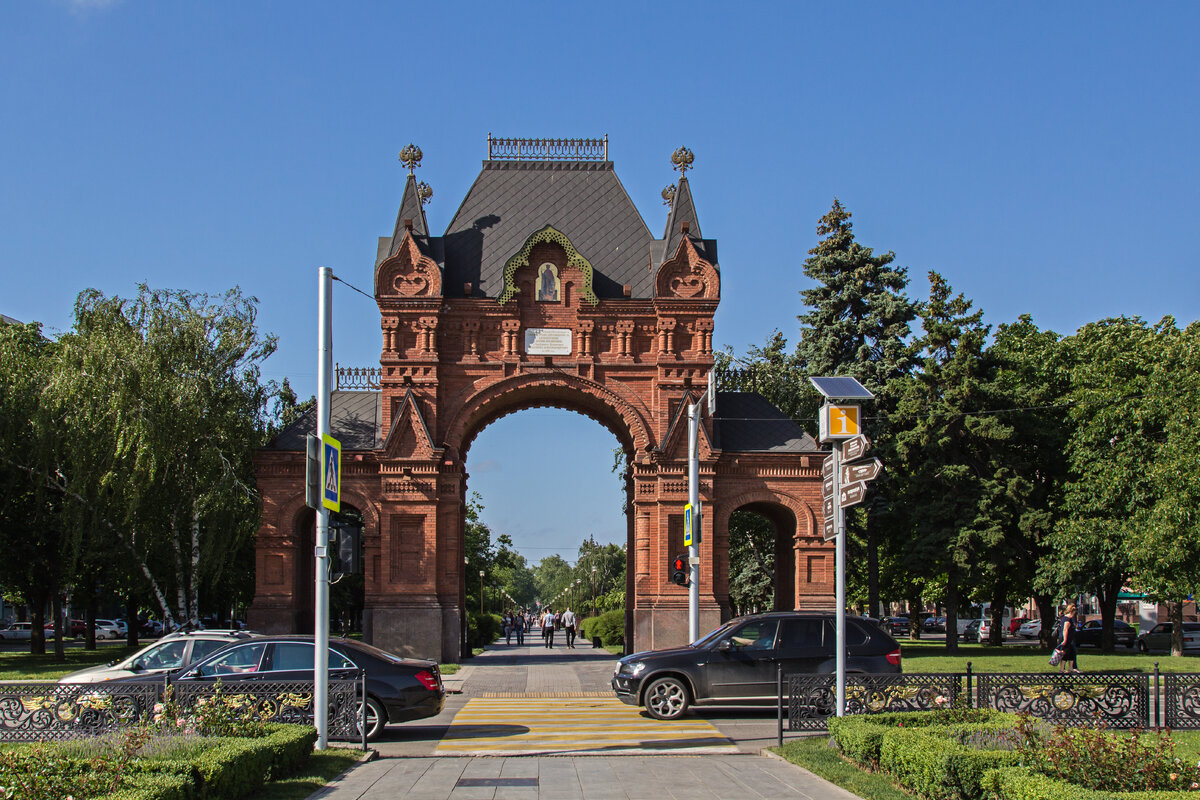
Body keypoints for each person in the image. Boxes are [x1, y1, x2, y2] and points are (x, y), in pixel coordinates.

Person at [1056, 603, 1080, 673]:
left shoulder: (1068, 618)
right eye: (1074, 613)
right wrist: (1065, 640)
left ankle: (1070, 668)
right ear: (1071, 612)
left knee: (1072, 653)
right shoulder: (1067, 619)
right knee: (1065, 653)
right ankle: (1062, 669)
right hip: (1065, 639)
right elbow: (1065, 630)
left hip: (1069, 639)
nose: (1074, 615)